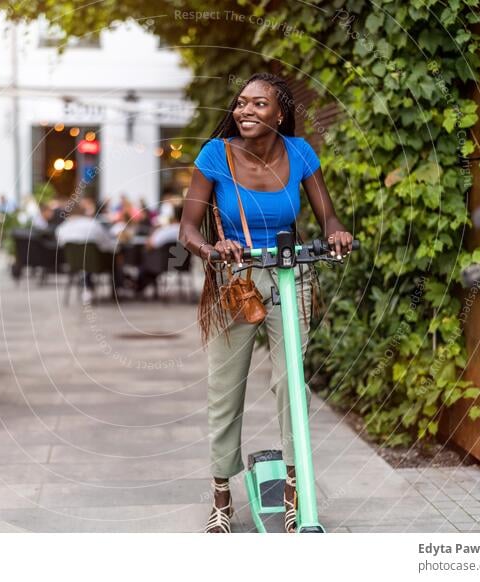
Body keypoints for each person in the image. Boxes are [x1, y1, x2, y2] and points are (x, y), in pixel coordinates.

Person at [178, 73, 353, 533]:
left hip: (289, 276)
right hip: (234, 281)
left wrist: (335, 232)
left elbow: (327, 214)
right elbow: (188, 231)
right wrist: (214, 250)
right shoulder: (216, 156)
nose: (245, 111)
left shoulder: (300, 154)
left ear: (280, 113)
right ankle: (221, 497)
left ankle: (295, 494)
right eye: (240, 104)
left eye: (258, 104)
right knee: (225, 388)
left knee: (290, 382)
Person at [55, 199, 117, 304]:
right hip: (96, 263)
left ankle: (87, 290)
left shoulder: (61, 228)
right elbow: (107, 244)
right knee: (113, 257)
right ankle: (117, 290)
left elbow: (61, 244)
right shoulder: (92, 224)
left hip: (74, 263)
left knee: (86, 262)